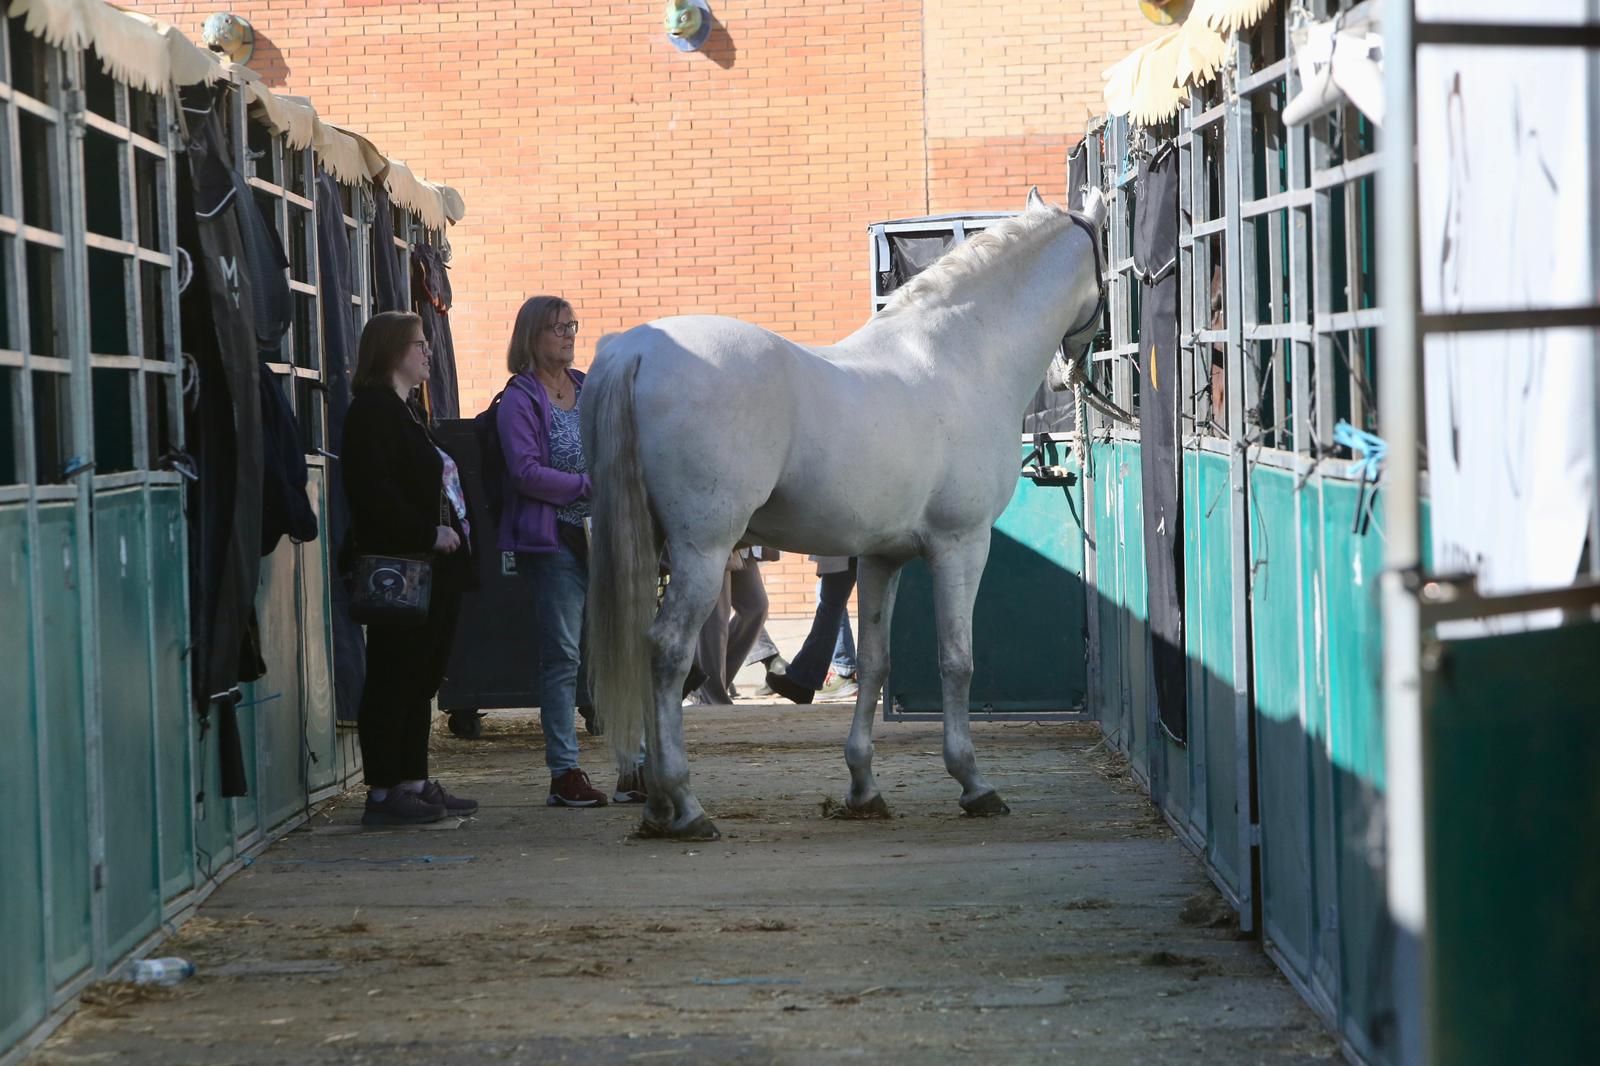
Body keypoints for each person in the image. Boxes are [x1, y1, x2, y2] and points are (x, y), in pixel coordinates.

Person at [498, 295, 642, 806]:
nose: (568, 336)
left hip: (603, 538)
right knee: (563, 657)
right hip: (554, 541)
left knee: (622, 649)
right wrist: (587, 484)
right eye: (557, 328)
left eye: (571, 326)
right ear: (531, 336)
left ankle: (635, 766)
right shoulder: (519, 398)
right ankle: (565, 773)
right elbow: (524, 472)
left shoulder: (587, 388)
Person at [341, 311, 478, 826]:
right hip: (401, 570)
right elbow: (373, 494)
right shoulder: (372, 412)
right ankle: (382, 792)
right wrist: (427, 533)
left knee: (420, 677)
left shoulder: (407, 410)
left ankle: (413, 782)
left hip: (431, 570)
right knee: (393, 675)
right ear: (392, 351)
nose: (428, 353)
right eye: (419, 344)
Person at [765, 556, 858, 704]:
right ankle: (805, 678)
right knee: (831, 603)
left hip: (845, 552)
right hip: (850, 553)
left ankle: (805, 679)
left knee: (831, 605)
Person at [692, 548, 775, 704]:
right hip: (714, 542)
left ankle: (700, 684)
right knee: (716, 617)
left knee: (755, 607)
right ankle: (712, 697)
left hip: (741, 544)